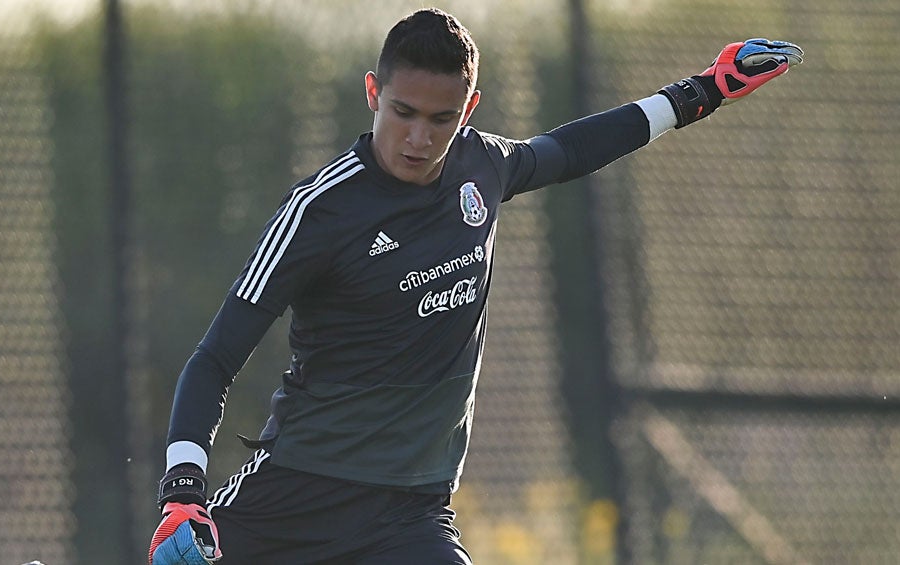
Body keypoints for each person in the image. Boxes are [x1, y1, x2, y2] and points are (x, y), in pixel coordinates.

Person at [148, 8, 802, 565]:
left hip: (410, 511)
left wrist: (702, 91)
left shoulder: (482, 167)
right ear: (373, 91)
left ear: (471, 109)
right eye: (403, 112)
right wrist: (183, 493)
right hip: (294, 498)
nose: (418, 136)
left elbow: (571, 149)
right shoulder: (319, 212)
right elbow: (215, 358)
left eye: (442, 118)